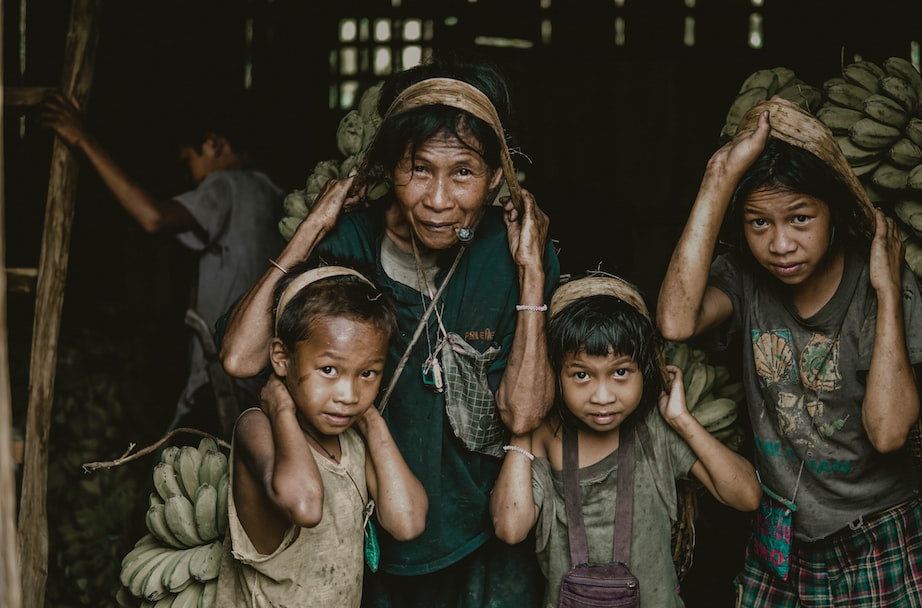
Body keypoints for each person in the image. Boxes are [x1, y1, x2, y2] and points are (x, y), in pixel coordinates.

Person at [218, 54, 561, 607]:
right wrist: (311, 229)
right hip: (366, 536)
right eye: (419, 169)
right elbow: (240, 358)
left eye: (464, 173)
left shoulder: (515, 254)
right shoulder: (348, 244)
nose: (440, 200)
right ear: (388, 166)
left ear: (497, 177)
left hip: (484, 535)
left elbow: (522, 416)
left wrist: (532, 278)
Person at [655, 97, 922, 606]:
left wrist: (886, 290)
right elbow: (675, 321)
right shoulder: (746, 281)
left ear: (833, 213)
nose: (781, 245)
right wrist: (717, 181)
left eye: (800, 218)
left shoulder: (876, 283)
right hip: (782, 535)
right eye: (758, 223)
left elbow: (888, 431)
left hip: (880, 534)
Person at [489, 273, 761, 608]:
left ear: (645, 371)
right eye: (581, 375)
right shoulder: (545, 437)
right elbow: (510, 528)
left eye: (620, 372)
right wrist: (524, 424)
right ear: (555, 376)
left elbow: (747, 497)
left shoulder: (656, 432)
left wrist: (682, 419)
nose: (603, 396)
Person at [40, 91, 285, 437]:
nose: (193, 179)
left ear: (214, 144)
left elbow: (152, 217)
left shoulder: (225, 185)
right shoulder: (275, 195)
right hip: (261, 383)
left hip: (222, 384)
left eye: (189, 161)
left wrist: (84, 139)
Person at [216, 259, 427, 606]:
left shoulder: (355, 440)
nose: (348, 394)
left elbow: (407, 522)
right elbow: (305, 505)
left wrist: (371, 419)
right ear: (282, 358)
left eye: (368, 373)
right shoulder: (257, 427)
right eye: (329, 369)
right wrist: (281, 408)